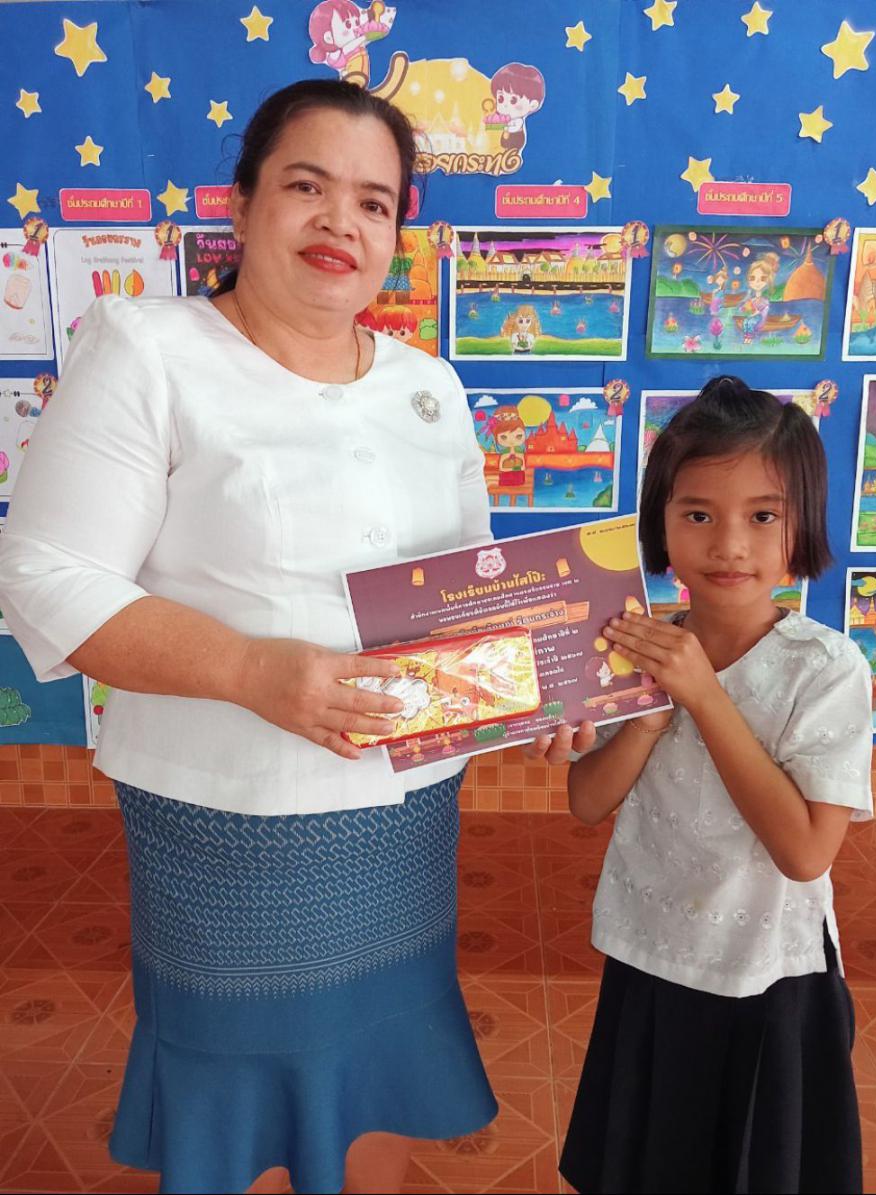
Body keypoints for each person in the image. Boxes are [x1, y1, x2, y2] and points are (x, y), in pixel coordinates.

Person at [0, 80, 497, 1195]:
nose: (340, 222)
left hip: (405, 819)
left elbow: (468, 596)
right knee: (242, 1113)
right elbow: (43, 571)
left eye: (374, 202)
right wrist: (247, 669)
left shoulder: (429, 387)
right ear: (240, 203)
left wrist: (537, 695)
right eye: (307, 186)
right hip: (233, 829)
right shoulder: (149, 349)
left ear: (397, 232)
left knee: (380, 1078)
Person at [526, 376, 871, 1193]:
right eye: (698, 514)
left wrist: (704, 695)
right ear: (660, 523)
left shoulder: (826, 668)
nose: (730, 545)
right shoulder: (641, 647)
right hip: (651, 955)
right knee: (650, 1161)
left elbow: (806, 852)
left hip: (767, 976)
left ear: (802, 524)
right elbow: (586, 801)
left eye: (763, 515)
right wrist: (647, 718)